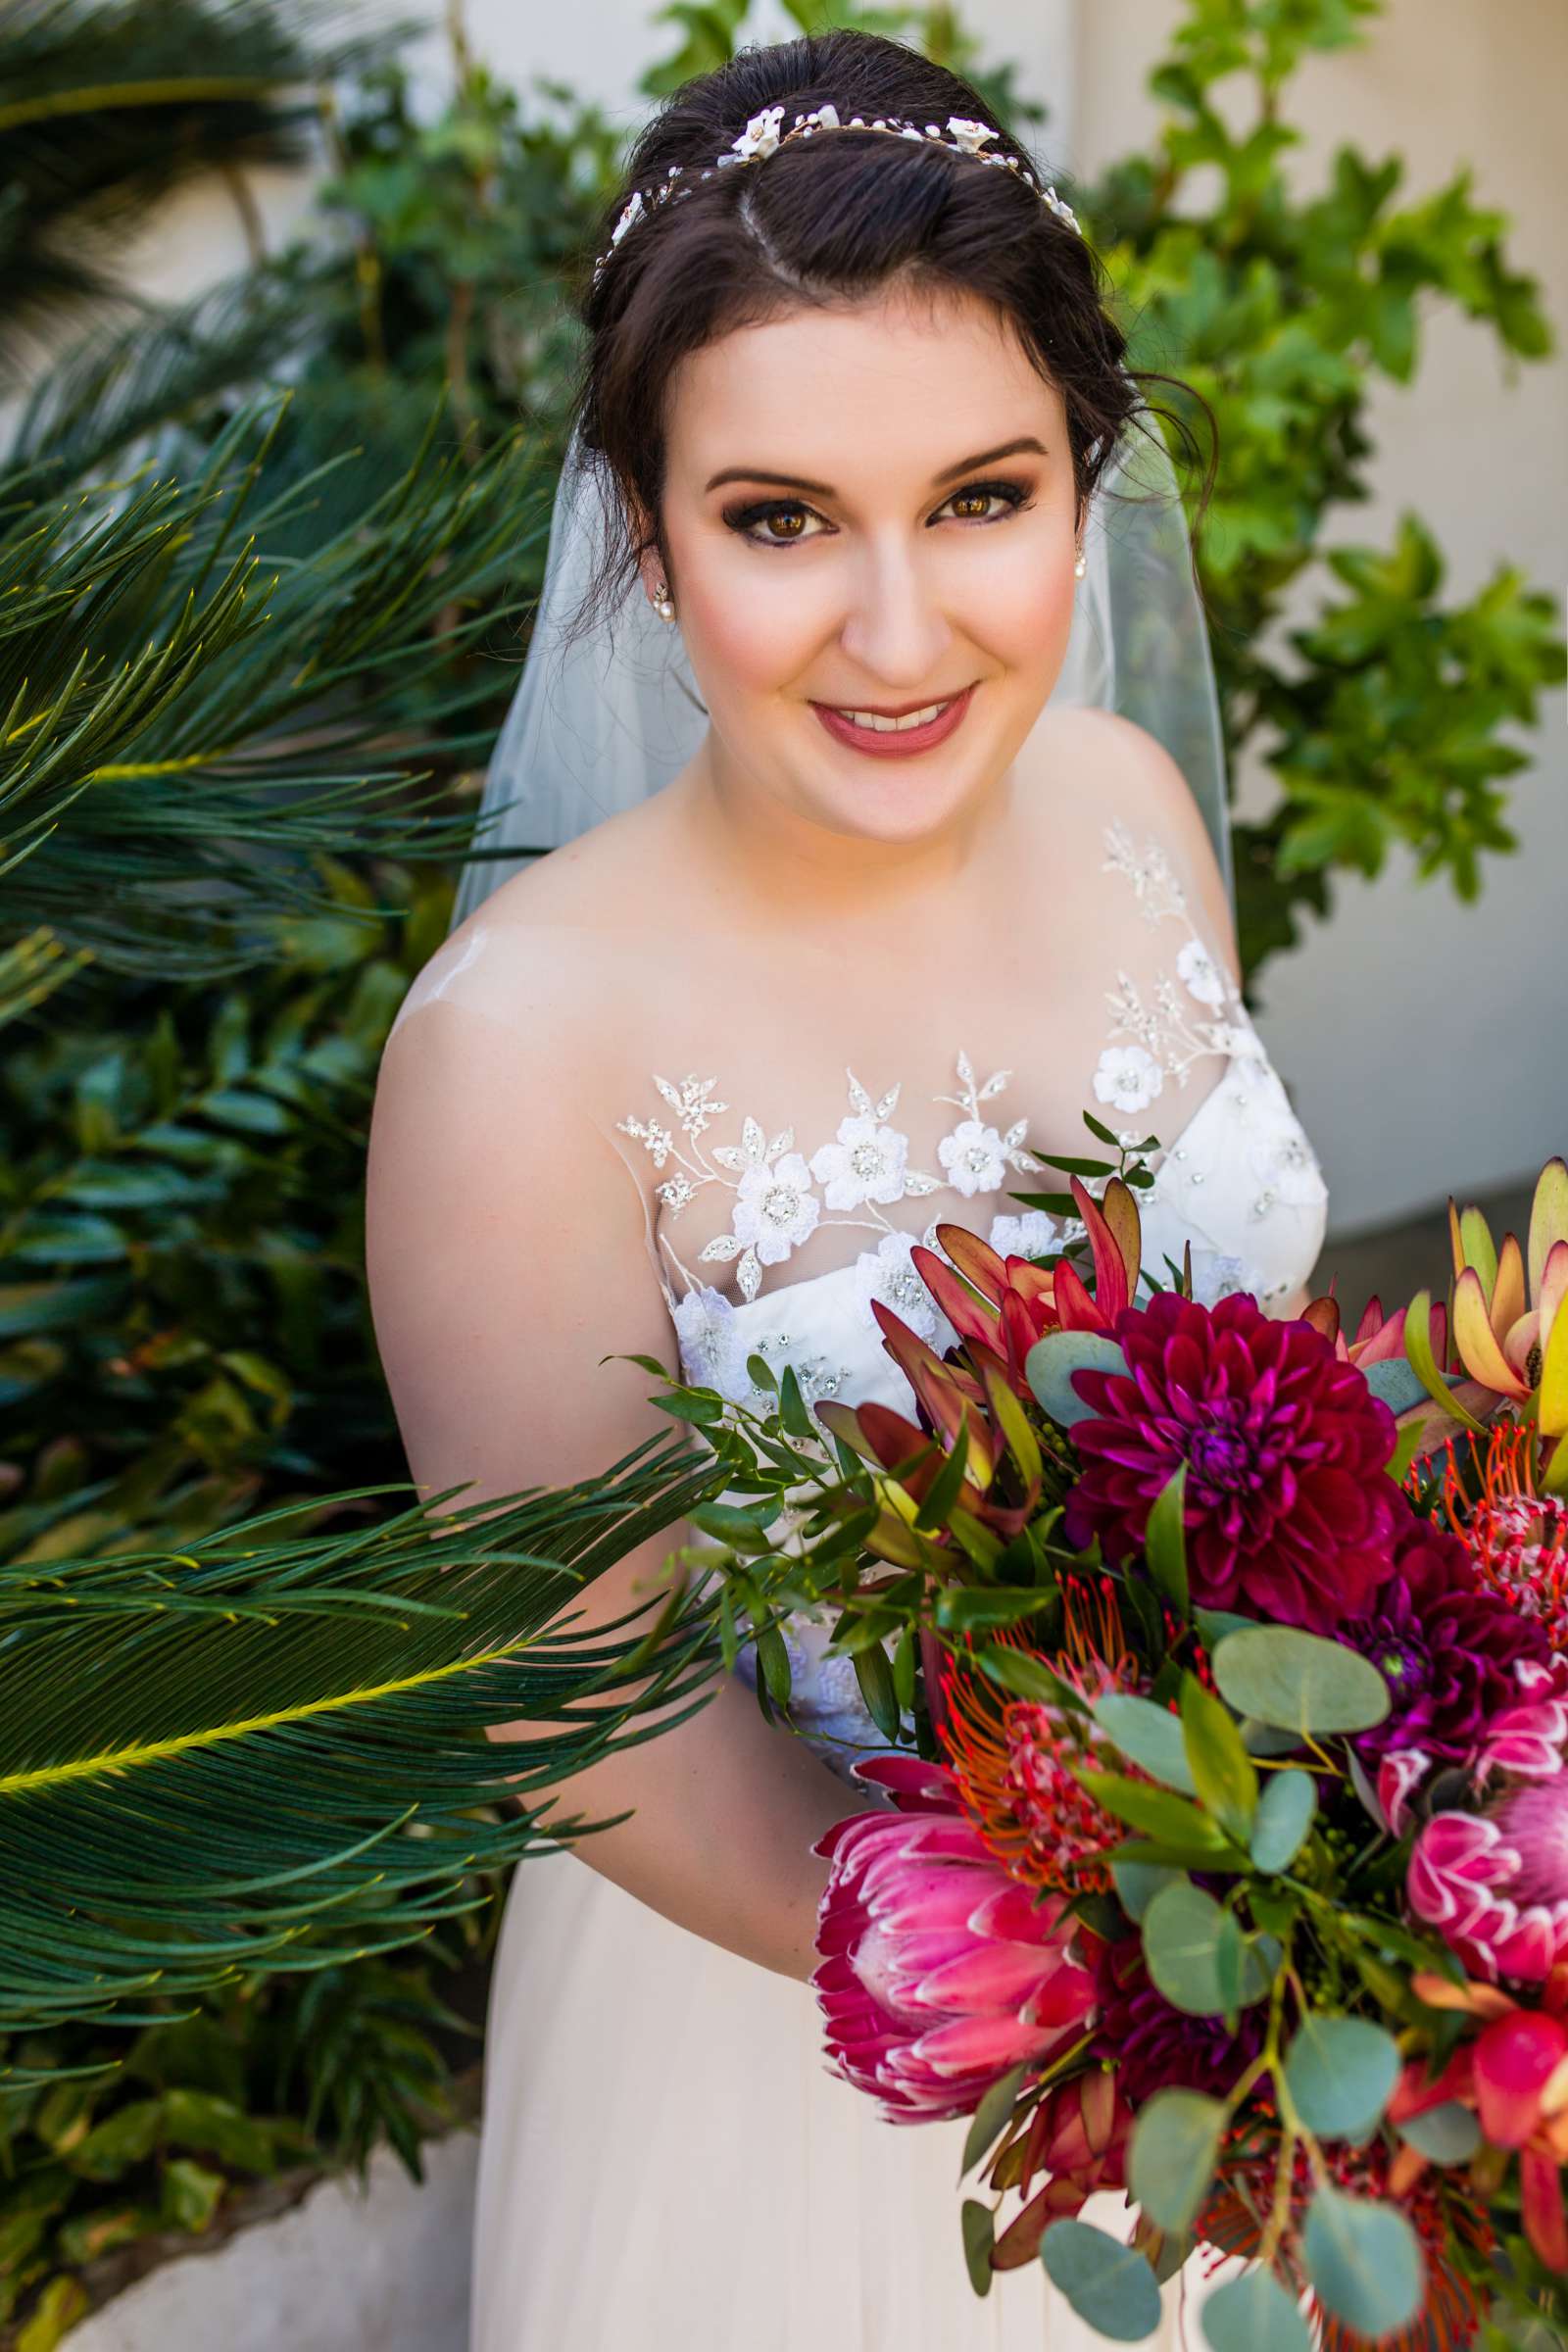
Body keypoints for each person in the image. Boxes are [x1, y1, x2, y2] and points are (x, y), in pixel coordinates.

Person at [364, 29, 1330, 2349]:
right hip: (802, 2039)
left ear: (1084, 491)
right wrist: (1096, 1985)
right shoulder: (518, 1051)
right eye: (780, 518)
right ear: (643, 520)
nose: (898, 638)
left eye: (980, 498)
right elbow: (594, 1731)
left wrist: (1346, 1866)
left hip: (1244, 1965)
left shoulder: (1124, 802)